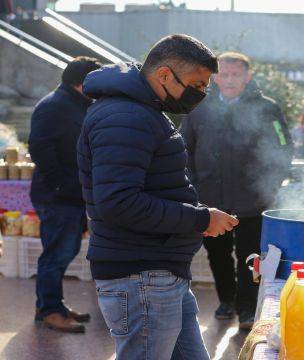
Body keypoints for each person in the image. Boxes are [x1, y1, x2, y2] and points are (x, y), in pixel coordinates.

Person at [78, 35, 239, 359]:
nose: (202, 94)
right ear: (165, 75)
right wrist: (199, 219)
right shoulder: (126, 117)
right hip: (141, 277)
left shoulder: (141, 111)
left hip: (157, 271)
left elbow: (154, 187)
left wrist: (199, 214)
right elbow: (119, 202)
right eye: (197, 84)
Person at [181, 52, 293, 330]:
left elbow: (283, 147)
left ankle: (246, 308)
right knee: (216, 254)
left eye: (236, 74)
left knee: (250, 256)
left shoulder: (267, 108)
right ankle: (226, 301)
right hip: (209, 199)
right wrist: (194, 186)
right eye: (224, 75)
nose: (229, 80)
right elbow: (184, 148)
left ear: (248, 77)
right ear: (215, 78)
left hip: (252, 200)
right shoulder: (199, 106)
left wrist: (270, 184)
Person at [29, 56, 101, 333]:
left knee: (63, 251)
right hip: (57, 196)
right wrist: (63, 186)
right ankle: (49, 310)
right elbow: (40, 148)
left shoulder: (75, 103)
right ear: (83, 83)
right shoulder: (54, 106)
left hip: (70, 194)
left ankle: (51, 304)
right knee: (56, 254)